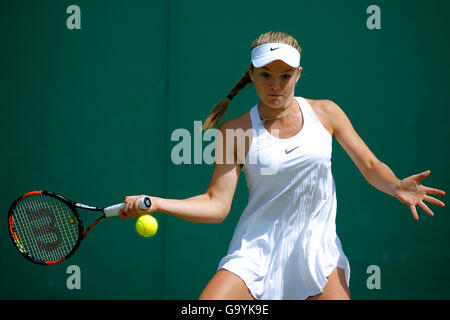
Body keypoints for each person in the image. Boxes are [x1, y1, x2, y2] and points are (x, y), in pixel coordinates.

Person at [120, 31, 446, 300]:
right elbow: (216, 205)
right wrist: (157, 203)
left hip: (317, 251)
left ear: (298, 74)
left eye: (285, 75)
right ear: (251, 74)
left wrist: (395, 185)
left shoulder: (326, 113)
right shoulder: (235, 131)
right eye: (265, 75)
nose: (275, 85)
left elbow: (371, 164)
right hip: (254, 252)